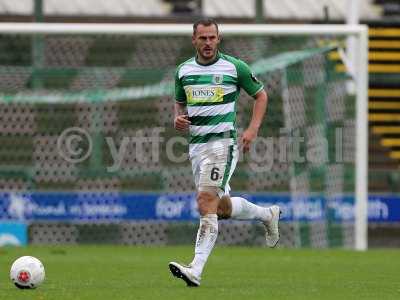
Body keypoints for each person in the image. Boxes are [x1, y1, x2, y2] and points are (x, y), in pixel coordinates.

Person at [169, 18, 280, 287]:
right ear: (193, 40)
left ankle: (195, 269)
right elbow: (179, 103)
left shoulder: (234, 67)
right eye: (203, 38)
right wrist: (177, 119)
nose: (208, 43)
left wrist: (252, 129)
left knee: (205, 201)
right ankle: (267, 214)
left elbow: (261, 95)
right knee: (219, 207)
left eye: (212, 38)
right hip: (197, 147)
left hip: (223, 145)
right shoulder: (183, 71)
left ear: (219, 39)